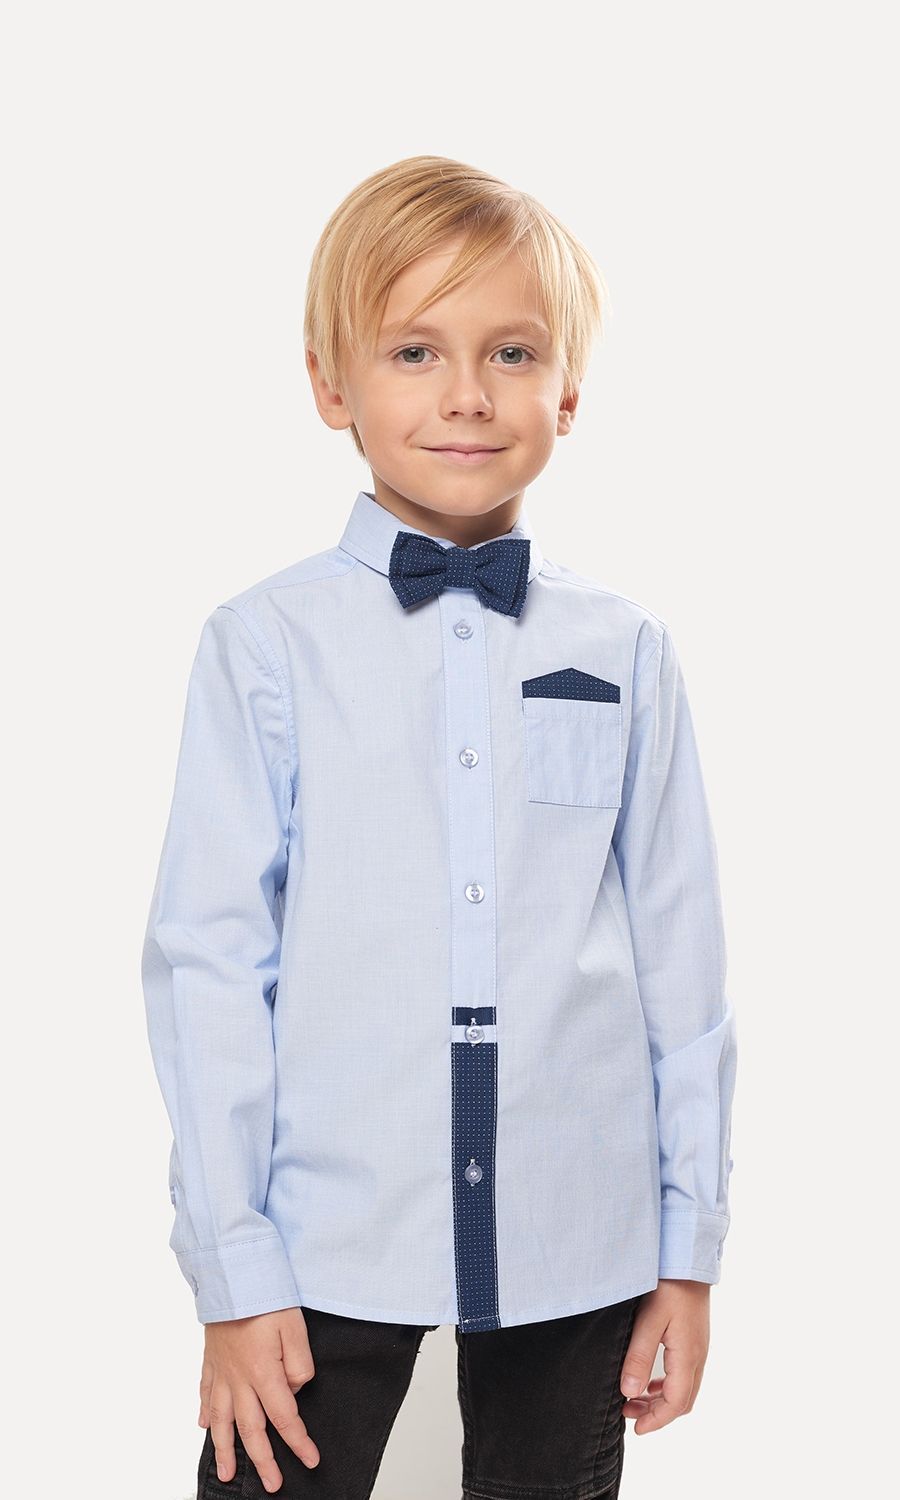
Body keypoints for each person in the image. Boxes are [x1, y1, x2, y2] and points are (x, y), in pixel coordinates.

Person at [142, 154, 737, 1500]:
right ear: (331, 384)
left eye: (512, 352)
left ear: (568, 391)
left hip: (577, 1231)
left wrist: (686, 1248)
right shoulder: (265, 646)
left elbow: (682, 958)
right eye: (415, 350)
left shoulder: (627, 648)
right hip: (326, 1227)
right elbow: (211, 963)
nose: (467, 393)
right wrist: (233, 1265)